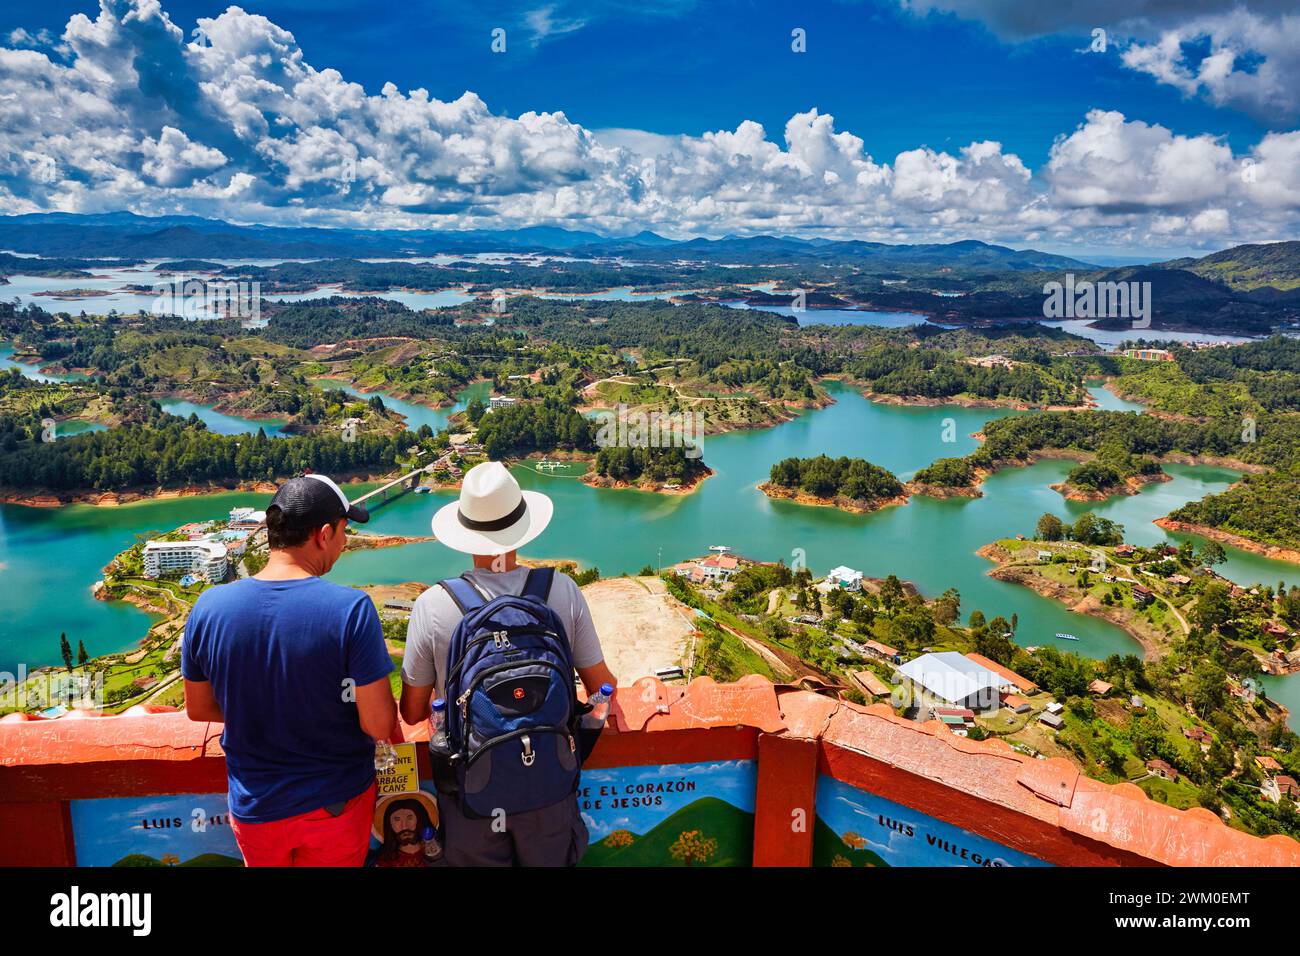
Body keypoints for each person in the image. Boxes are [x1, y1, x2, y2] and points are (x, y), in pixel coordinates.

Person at [400, 461, 616, 866]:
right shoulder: (562, 590)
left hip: (473, 797)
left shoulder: (433, 605)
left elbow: (411, 712)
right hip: (548, 791)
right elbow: (601, 684)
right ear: (522, 527)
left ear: (465, 534)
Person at [182, 473, 397, 867]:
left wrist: (264, 708)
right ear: (324, 533)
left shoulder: (208, 607)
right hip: (335, 802)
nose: (345, 543)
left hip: (256, 807)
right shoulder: (350, 609)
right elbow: (379, 724)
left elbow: (198, 708)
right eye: (345, 532)